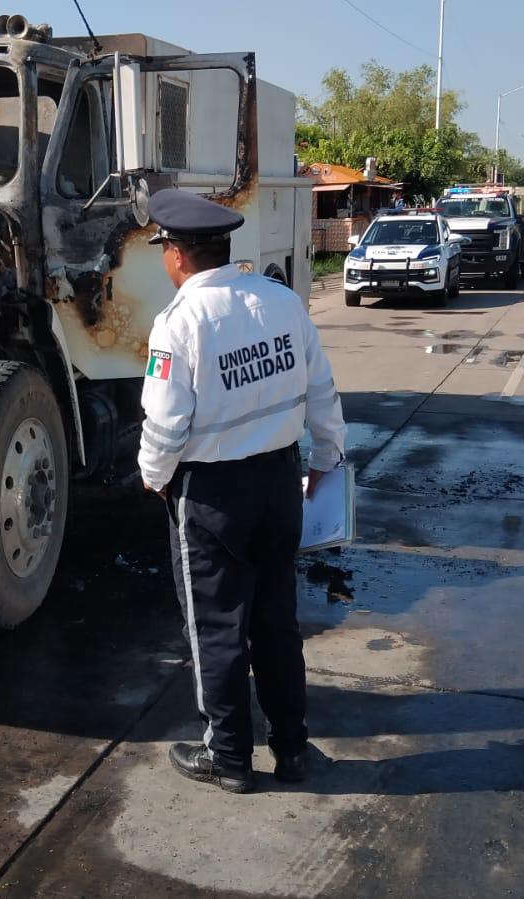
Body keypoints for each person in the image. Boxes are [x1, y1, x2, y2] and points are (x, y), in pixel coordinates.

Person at [138, 189, 347, 794]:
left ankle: (228, 756)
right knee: (276, 622)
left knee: (217, 628)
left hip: (213, 495)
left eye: (164, 248)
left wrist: (154, 477)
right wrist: (327, 460)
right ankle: (292, 748)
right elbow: (322, 392)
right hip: (280, 482)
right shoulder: (282, 302)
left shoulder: (178, 322)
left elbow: (165, 424)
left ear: (177, 254)